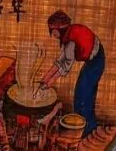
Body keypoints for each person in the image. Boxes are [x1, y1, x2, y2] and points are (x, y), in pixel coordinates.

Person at [39, 10, 105, 138]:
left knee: (84, 94)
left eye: (54, 32)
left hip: (96, 61)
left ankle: (88, 129)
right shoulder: (69, 36)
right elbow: (60, 60)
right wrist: (46, 77)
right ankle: (82, 126)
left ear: (60, 29)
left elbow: (66, 66)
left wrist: (50, 82)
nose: (53, 35)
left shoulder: (71, 42)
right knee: (80, 93)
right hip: (93, 60)